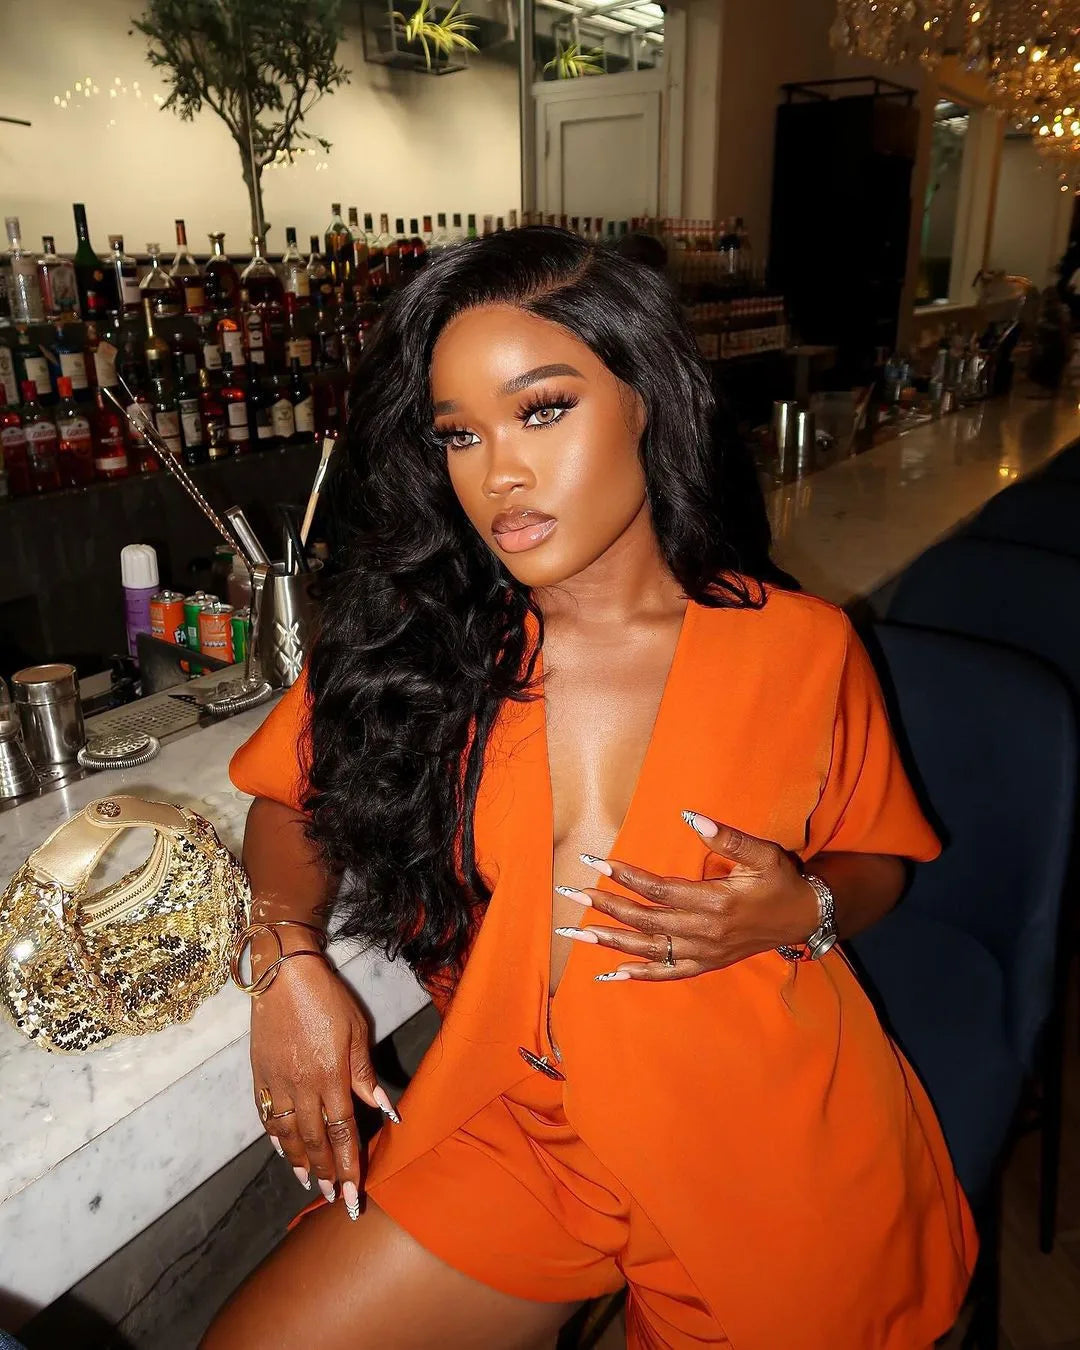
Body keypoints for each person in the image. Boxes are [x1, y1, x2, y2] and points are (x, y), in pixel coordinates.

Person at [202, 227, 976, 1350]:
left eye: (543, 410)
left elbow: (882, 861)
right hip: (524, 1126)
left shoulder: (800, 649)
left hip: (758, 1135)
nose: (498, 475)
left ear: (645, 400)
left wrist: (801, 906)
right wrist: (285, 960)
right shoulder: (423, 647)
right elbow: (289, 798)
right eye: (460, 433)